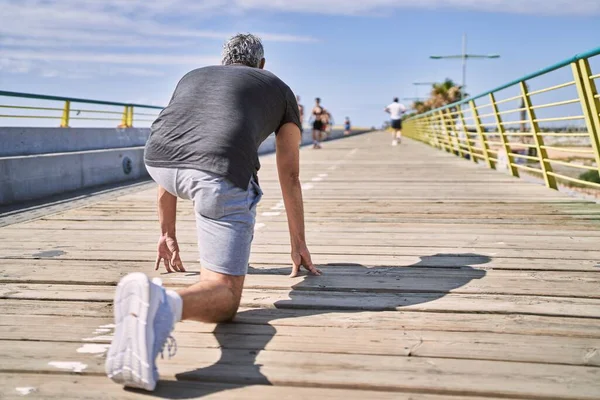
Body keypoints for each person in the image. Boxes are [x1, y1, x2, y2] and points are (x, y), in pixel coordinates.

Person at [104, 33, 321, 392]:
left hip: (158, 162)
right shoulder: (280, 89)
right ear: (262, 66)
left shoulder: (192, 77)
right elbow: (291, 173)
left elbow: (179, 144)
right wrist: (298, 242)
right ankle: (162, 306)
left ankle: (153, 311)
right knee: (224, 297)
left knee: (201, 178)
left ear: (223, 61)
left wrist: (167, 233)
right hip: (217, 173)